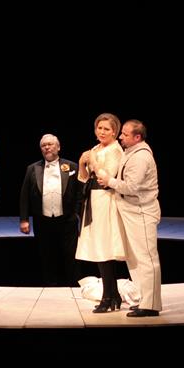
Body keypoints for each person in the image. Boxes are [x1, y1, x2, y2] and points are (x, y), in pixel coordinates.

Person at [97, 119, 161, 317]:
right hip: (131, 211)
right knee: (134, 259)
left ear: (137, 137)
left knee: (146, 259)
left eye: (125, 134)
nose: (121, 137)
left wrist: (109, 181)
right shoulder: (131, 151)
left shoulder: (141, 157)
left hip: (141, 212)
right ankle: (144, 299)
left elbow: (132, 187)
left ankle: (151, 305)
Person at [75, 112, 125, 313]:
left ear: (115, 132)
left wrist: (93, 160)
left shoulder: (115, 150)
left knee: (104, 248)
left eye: (106, 129)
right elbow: (83, 178)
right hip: (93, 200)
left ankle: (108, 297)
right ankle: (113, 295)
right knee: (98, 247)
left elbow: (106, 177)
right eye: (99, 128)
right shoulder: (95, 149)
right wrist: (81, 162)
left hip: (106, 199)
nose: (102, 132)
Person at [18, 133, 81, 286]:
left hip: (67, 220)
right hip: (43, 220)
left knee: (71, 255)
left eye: (50, 144)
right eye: (43, 145)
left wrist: (77, 213)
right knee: (46, 255)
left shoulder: (72, 166)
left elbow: (79, 192)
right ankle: (50, 287)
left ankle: (74, 286)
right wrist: (24, 219)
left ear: (58, 147)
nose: (47, 147)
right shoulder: (32, 169)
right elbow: (24, 195)